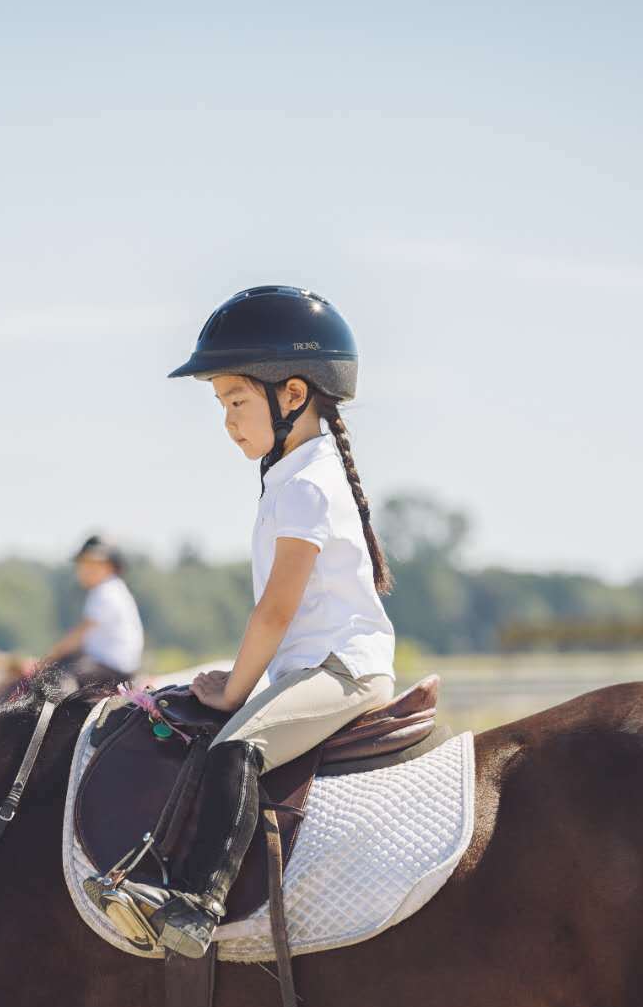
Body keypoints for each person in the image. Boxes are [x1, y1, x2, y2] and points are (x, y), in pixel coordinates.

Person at [152, 285, 397, 958]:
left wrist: (237, 690)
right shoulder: (291, 474)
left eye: (236, 400)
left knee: (237, 747)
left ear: (292, 395)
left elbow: (277, 609)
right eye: (221, 405)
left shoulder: (308, 483)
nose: (227, 420)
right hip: (312, 667)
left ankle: (196, 907)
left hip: (343, 670)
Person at [37, 536, 145, 691]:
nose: (83, 571)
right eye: (82, 565)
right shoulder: (112, 589)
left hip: (113, 668)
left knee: (58, 677)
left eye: (91, 565)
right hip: (110, 664)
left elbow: (78, 636)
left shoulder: (105, 591)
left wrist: (49, 657)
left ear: (109, 567)